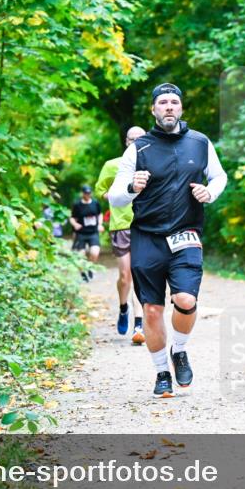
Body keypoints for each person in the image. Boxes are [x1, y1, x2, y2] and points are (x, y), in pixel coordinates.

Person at [108, 83, 227, 398]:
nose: (169, 107)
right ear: (153, 110)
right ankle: (161, 371)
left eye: (175, 101)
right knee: (151, 310)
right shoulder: (138, 149)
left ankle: (180, 350)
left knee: (186, 301)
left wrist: (210, 192)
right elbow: (115, 198)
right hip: (147, 236)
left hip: (186, 234)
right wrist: (132, 187)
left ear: (181, 108)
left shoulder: (200, 143)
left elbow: (219, 176)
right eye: (163, 102)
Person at [95, 126, 147, 345]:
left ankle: (139, 324)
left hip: (145, 225)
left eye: (140, 139)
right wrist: (117, 196)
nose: (135, 142)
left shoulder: (151, 165)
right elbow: (100, 190)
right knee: (125, 275)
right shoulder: (112, 165)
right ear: (126, 142)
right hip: (120, 225)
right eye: (132, 139)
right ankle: (123, 307)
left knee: (138, 275)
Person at [70, 185, 103, 282]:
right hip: (81, 233)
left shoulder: (95, 203)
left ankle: (90, 268)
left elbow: (100, 214)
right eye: (85, 193)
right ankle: (83, 273)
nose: (87, 195)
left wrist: (100, 224)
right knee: (81, 255)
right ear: (82, 193)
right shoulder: (77, 205)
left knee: (95, 252)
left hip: (93, 232)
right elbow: (72, 218)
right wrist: (75, 224)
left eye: (89, 193)